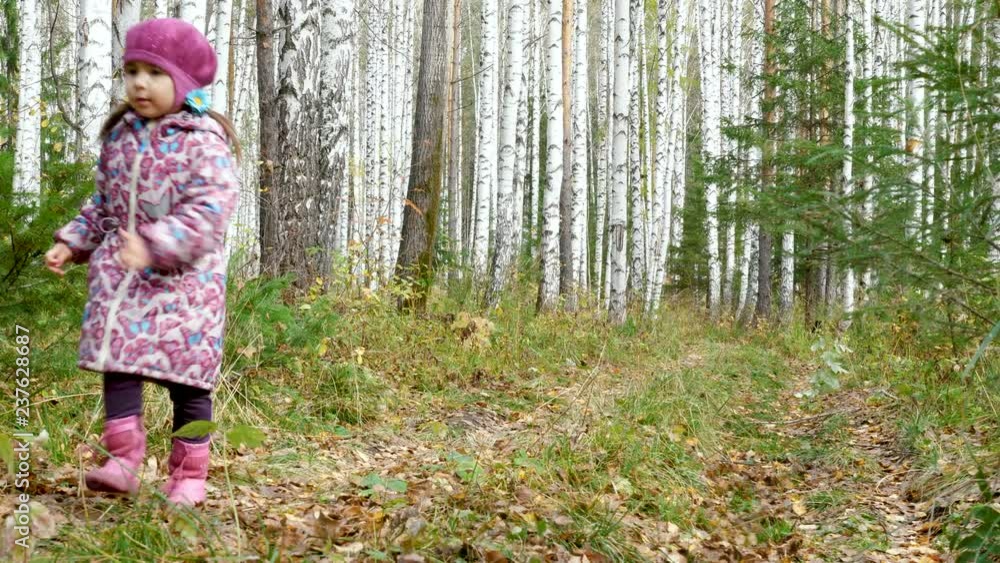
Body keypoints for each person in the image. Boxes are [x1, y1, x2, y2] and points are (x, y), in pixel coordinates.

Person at [44, 18, 241, 507]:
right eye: (131, 71)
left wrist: (155, 243)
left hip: (186, 286)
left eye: (154, 73)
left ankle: (189, 476)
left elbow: (211, 210)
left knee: (188, 382)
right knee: (120, 366)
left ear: (185, 81)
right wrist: (73, 240)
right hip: (126, 281)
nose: (139, 84)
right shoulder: (122, 135)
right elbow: (104, 204)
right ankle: (123, 460)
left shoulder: (202, 139)